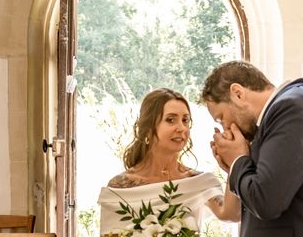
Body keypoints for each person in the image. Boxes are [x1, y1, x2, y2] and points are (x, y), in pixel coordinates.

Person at [202, 60, 303, 236]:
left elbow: (266, 201)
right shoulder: (281, 115)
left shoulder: (291, 109)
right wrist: (235, 166)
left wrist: (238, 161)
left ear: (237, 93)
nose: (225, 128)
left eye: (221, 118)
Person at [98, 88, 240, 236]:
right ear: (148, 129)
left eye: (185, 120)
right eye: (170, 120)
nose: (182, 128)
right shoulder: (120, 187)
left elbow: (231, 215)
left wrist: (233, 167)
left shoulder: (199, 182)